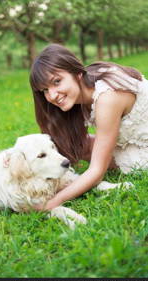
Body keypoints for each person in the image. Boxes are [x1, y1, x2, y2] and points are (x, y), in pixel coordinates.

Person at [29, 43, 148, 211]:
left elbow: (97, 170)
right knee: (77, 144)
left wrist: (52, 202)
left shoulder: (107, 97)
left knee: (88, 153)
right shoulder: (86, 83)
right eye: (45, 90)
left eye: (57, 81)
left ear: (76, 73)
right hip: (131, 141)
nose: (52, 95)